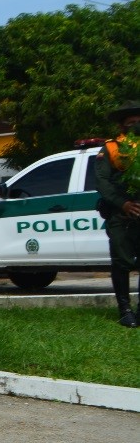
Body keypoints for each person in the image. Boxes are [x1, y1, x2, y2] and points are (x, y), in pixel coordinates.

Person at [95, 100, 140, 328]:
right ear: (123, 126)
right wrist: (123, 204)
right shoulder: (111, 148)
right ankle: (125, 309)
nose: (136, 126)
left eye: (139, 122)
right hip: (121, 215)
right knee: (122, 261)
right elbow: (102, 181)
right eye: (131, 122)